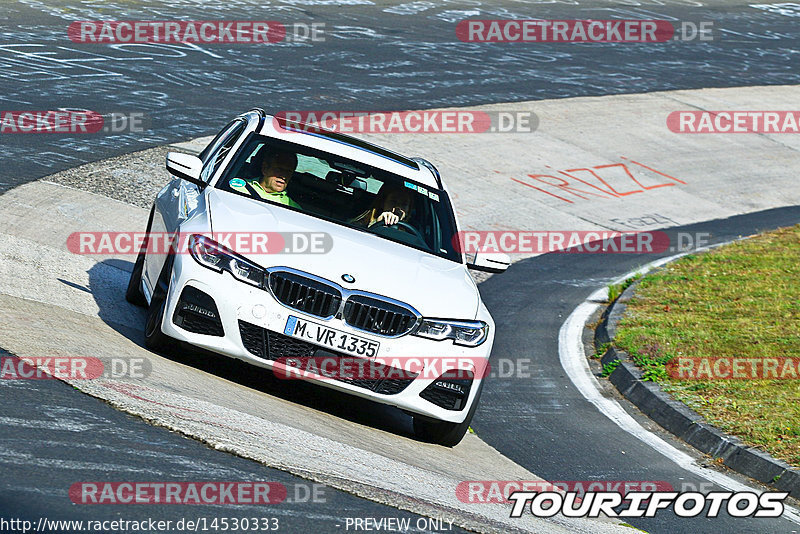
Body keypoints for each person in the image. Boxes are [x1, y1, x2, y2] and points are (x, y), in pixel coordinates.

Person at [229, 150, 301, 208]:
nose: (284, 176)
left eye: (288, 171)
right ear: (265, 168)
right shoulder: (237, 186)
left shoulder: (293, 207)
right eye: (279, 170)